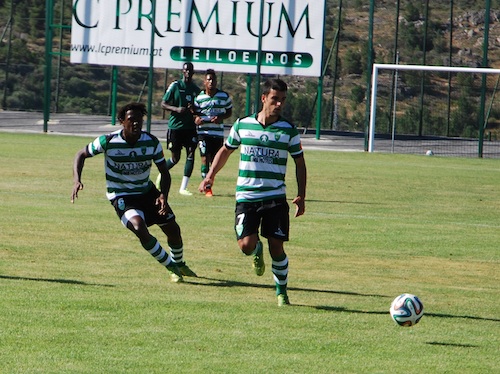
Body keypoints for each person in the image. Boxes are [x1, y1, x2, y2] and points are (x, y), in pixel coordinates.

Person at [198, 79, 307, 306]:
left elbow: (299, 162)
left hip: (275, 197)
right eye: (275, 99)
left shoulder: (288, 129)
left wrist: (301, 194)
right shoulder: (242, 125)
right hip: (247, 197)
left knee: (277, 247)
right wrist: (210, 176)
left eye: (283, 100)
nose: (279, 104)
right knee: (246, 245)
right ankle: (256, 249)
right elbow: (226, 150)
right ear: (264, 98)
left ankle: (281, 292)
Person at [71, 102, 197, 283]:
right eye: (131, 120)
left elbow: (164, 172)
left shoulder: (151, 142)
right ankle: (171, 266)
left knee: (173, 230)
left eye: (139, 120)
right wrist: (77, 180)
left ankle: (180, 263)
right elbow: (80, 154)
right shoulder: (108, 141)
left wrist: (163, 196)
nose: (136, 124)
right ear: (122, 121)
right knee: (139, 227)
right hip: (121, 196)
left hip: (147, 192)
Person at [160, 62, 201, 195]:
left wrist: (193, 110)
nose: (188, 72)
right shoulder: (176, 86)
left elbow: (199, 108)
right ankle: (162, 173)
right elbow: (163, 103)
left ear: (193, 72)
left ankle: (183, 187)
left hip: (190, 128)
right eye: (186, 70)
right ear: (182, 72)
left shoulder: (195, 89)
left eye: (190, 70)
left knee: (191, 153)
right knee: (175, 158)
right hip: (176, 127)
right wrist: (176, 109)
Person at [193, 69, 233, 197]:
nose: (211, 82)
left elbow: (229, 112)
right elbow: (195, 113)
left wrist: (221, 118)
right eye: (209, 79)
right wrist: (196, 119)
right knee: (204, 158)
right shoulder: (199, 98)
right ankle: (207, 188)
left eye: (213, 80)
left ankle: (209, 182)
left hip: (217, 133)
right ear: (204, 82)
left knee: (214, 162)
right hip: (203, 133)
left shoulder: (224, 96)